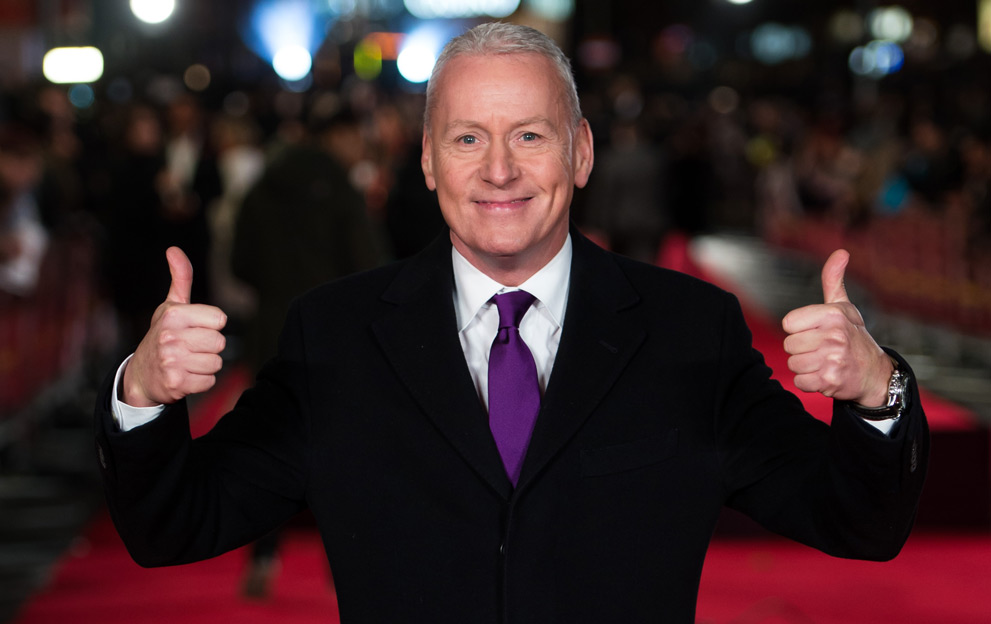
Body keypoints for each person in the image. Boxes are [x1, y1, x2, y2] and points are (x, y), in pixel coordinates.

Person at [95, 23, 928, 623]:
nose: (498, 170)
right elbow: (176, 526)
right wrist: (143, 392)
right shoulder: (335, 335)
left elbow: (855, 521)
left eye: (529, 135)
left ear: (581, 152)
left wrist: (875, 390)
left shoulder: (688, 331)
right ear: (427, 159)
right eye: (467, 139)